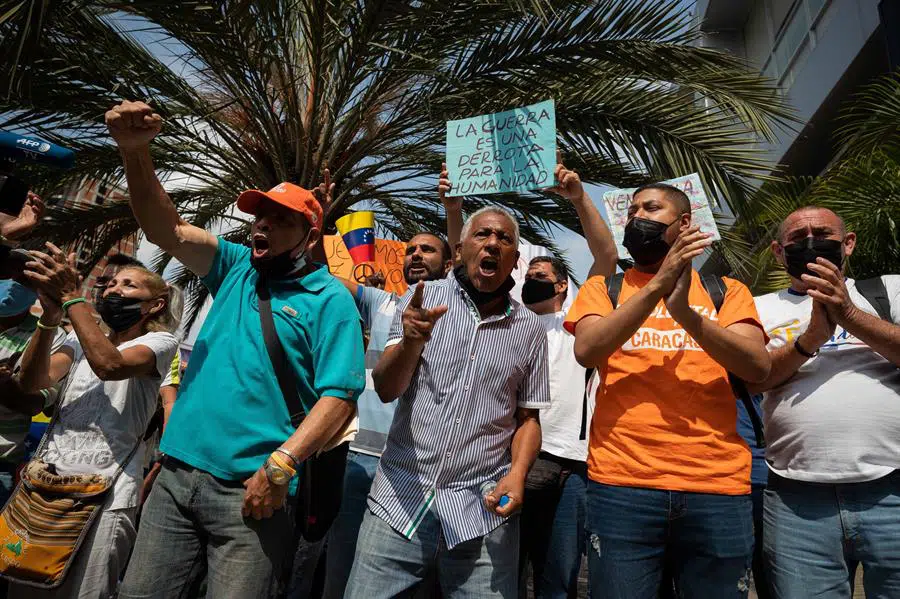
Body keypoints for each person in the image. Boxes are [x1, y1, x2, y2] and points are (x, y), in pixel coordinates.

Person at [103, 100, 366, 599]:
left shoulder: (330, 299)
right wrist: (135, 153)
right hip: (175, 479)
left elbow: (340, 397)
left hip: (253, 495)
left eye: (278, 219)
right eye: (259, 216)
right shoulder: (237, 265)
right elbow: (167, 230)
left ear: (310, 235)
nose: (261, 226)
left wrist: (281, 467)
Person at [564, 183, 771, 599]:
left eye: (652, 208)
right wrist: (659, 287)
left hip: (716, 488)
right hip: (622, 486)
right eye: (634, 209)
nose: (638, 216)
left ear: (684, 224)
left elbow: (757, 367)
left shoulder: (727, 292)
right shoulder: (604, 290)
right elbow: (587, 349)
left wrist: (687, 317)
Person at [344, 206, 550, 599]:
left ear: (514, 260)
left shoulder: (530, 331)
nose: (492, 243)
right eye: (483, 235)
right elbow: (387, 388)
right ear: (460, 249)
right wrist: (410, 342)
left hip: (482, 512)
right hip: (398, 504)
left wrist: (518, 475)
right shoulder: (421, 300)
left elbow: (528, 419)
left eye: (504, 239)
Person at [750, 206, 900, 598]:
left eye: (822, 234)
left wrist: (847, 313)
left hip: (892, 486)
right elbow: (753, 380)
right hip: (797, 497)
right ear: (779, 252)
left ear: (847, 244)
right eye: (797, 239)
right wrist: (811, 337)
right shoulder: (759, 308)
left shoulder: (887, 291)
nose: (810, 243)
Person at [14, 245, 178, 599]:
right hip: (45, 488)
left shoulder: (161, 342)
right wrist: (50, 317)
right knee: (24, 587)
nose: (114, 290)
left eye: (130, 286)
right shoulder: (78, 338)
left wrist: (73, 298)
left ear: (155, 305)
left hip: (106, 498)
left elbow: (110, 365)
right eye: (112, 284)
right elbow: (32, 382)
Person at [318, 230, 456, 599]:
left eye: (427, 250)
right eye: (410, 250)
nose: (415, 255)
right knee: (341, 573)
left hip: (414, 472)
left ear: (449, 263)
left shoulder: (460, 321)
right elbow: (320, 275)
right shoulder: (379, 302)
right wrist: (317, 226)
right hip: (358, 461)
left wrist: (453, 211)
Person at [517, 160, 617, 599]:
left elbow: (607, 257)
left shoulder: (579, 319)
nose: (532, 283)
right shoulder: (509, 323)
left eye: (541, 278)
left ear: (562, 287)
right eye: (527, 277)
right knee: (505, 566)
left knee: (558, 574)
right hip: (522, 458)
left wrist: (578, 199)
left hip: (576, 463)